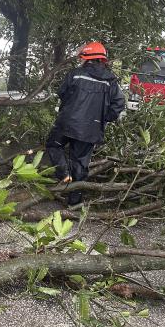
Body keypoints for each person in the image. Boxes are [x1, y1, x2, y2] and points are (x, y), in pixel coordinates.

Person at [46, 42, 125, 205]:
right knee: (80, 163)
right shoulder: (110, 80)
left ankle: (64, 174)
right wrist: (103, 118)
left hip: (67, 123)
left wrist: (70, 109)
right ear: (102, 59)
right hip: (91, 129)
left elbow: (62, 93)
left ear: (86, 58)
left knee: (53, 145)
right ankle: (74, 202)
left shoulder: (75, 74)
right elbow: (119, 103)